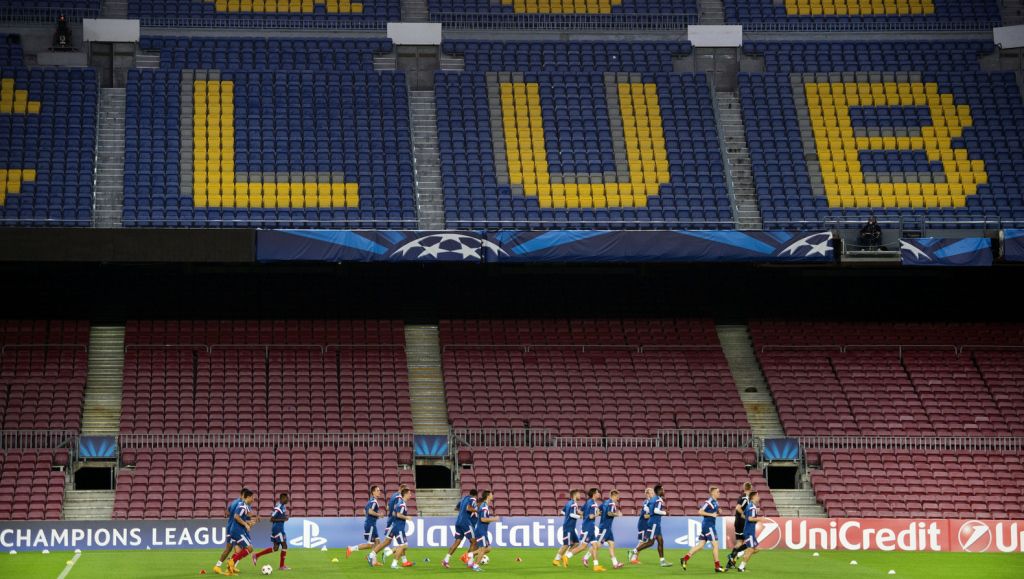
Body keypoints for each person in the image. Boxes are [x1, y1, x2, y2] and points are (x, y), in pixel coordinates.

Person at [682, 486, 724, 573]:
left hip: (708, 525)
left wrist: (718, 511)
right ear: (712, 493)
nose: (719, 493)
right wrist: (711, 514)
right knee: (715, 545)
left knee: (700, 546)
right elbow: (700, 511)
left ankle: (685, 558)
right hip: (709, 526)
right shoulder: (708, 502)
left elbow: (715, 511)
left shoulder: (716, 502)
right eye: (717, 492)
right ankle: (717, 566)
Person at [214, 487, 249, 576]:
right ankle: (221, 566)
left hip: (232, 527)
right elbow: (238, 516)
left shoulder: (234, 502)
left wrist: (231, 517)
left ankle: (228, 566)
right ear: (244, 495)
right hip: (234, 529)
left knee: (237, 548)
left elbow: (226, 512)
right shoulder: (241, 504)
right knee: (233, 548)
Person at [634, 484, 671, 567]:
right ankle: (634, 551)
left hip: (654, 523)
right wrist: (665, 513)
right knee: (650, 542)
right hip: (653, 523)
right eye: (663, 490)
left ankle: (662, 561)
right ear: (659, 491)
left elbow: (650, 510)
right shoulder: (658, 500)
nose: (664, 491)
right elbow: (655, 510)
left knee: (660, 541)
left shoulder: (653, 500)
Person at [253, 492, 290, 570]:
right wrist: (284, 519)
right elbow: (271, 519)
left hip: (276, 528)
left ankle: (256, 555)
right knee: (284, 545)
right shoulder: (279, 507)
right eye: (287, 498)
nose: (288, 499)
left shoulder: (282, 506)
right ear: (282, 498)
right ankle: (281, 566)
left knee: (276, 548)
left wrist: (283, 517)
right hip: (278, 529)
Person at [348, 485, 386, 560]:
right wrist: (378, 515)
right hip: (370, 524)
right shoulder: (374, 501)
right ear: (373, 492)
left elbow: (364, 511)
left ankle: (372, 559)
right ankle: (351, 549)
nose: (379, 492)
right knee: (370, 545)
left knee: (378, 543)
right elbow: (369, 511)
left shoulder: (370, 501)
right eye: (377, 490)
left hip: (372, 524)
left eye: (379, 490)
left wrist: (372, 517)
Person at [443, 488, 479, 568]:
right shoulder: (473, 499)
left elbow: (456, 508)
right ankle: (469, 562)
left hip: (458, 522)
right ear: (476, 495)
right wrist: (477, 511)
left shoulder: (463, 499)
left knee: (457, 541)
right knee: (474, 541)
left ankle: (446, 560)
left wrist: (463, 511)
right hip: (466, 523)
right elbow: (468, 508)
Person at [227, 490, 259, 574]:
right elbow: (236, 516)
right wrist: (246, 524)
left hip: (237, 530)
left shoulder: (246, 507)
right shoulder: (243, 506)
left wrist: (252, 522)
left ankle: (230, 568)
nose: (253, 499)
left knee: (238, 550)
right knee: (250, 548)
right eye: (252, 497)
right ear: (248, 497)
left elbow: (243, 519)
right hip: (238, 531)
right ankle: (232, 561)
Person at [382, 487, 414, 569]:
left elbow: (393, 512)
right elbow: (398, 515)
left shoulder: (400, 503)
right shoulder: (402, 504)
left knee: (404, 546)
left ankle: (389, 553)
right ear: (405, 494)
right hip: (398, 527)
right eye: (409, 493)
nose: (411, 495)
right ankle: (394, 564)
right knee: (403, 546)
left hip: (397, 526)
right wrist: (407, 518)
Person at [467, 490, 499, 572]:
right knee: (482, 548)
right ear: (488, 496)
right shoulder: (484, 506)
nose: (492, 495)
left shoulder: (484, 505)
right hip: (481, 530)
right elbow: (483, 519)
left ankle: (470, 554)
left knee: (488, 548)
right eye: (491, 494)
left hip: (482, 530)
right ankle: (476, 566)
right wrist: (494, 519)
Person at [726, 482, 753, 570]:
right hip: (742, 522)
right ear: (750, 488)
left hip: (738, 521)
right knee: (750, 543)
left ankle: (730, 562)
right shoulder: (745, 497)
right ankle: (732, 556)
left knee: (740, 542)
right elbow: (738, 508)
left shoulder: (745, 497)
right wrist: (745, 516)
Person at [553, 489, 583, 568]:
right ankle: (556, 560)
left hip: (571, 527)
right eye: (579, 494)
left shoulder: (569, 503)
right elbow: (571, 515)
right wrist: (580, 516)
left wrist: (575, 512)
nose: (580, 496)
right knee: (566, 544)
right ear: (575, 495)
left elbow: (562, 512)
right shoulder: (573, 504)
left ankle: (565, 556)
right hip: (568, 527)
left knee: (576, 543)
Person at [595, 489, 624, 570]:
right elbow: (609, 513)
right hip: (605, 527)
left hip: (607, 527)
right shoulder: (611, 503)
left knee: (611, 544)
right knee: (597, 545)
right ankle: (586, 558)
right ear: (614, 495)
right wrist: (617, 514)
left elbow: (598, 508)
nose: (618, 498)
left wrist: (599, 514)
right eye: (617, 496)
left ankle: (615, 564)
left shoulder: (606, 502)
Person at [737, 491, 764, 573]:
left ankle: (739, 554)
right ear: (753, 497)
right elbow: (750, 519)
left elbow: (743, 515)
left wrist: (755, 514)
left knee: (757, 549)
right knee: (751, 549)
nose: (759, 497)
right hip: (749, 532)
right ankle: (741, 567)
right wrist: (759, 518)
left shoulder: (750, 506)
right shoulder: (752, 507)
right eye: (757, 496)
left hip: (748, 531)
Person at [580, 488, 604, 570]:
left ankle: (595, 565)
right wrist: (597, 514)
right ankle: (566, 556)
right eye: (597, 492)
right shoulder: (593, 504)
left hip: (589, 526)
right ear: (594, 494)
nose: (599, 494)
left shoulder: (588, 502)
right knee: (583, 546)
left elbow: (580, 511)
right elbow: (591, 516)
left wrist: (584, 517)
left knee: (595, 546)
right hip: (589, 526)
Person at [629, 487, 655, 564]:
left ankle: (634, 557)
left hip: (647, 524)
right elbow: (645, 516)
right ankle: (633, 557)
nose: (653, 494)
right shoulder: (647, 503)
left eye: (653, 493)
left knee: (645, 542)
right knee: (642, 542)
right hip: (643, 524)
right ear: (647, 494)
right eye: (651, 493)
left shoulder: (650, 502)